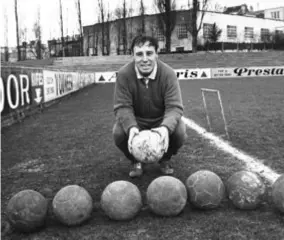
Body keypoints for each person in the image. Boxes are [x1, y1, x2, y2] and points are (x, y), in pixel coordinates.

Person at [112, 35, 187, 178]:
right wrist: (131, 127)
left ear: (156, 54)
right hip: (137, 120)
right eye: (139, 54)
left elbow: (174, 107)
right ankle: (135, 160)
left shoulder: (168, 74)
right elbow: (122, 107)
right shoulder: (123, 75)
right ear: (132, 56)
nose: (145, 59)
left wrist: (165, 128)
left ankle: (165, 159)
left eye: (149, 53)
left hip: (161, 120)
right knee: (118, 132)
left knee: (180, 131)